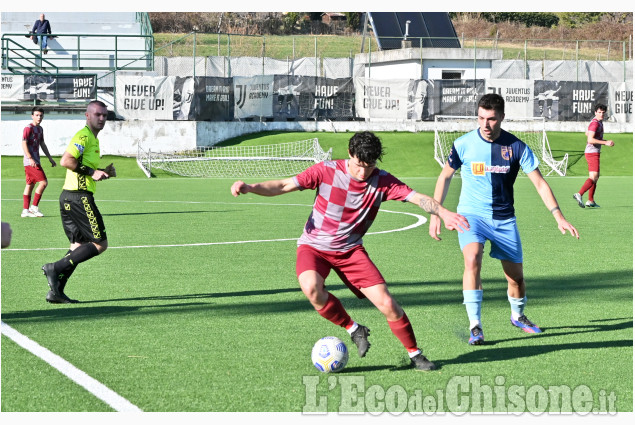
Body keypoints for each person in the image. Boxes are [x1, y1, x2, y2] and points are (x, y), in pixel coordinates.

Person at [231, 131, 470, 371]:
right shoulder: (324, 171)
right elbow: (283, 185)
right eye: (358, 165)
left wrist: (443, 212)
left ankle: (415, 355)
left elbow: (418, 198)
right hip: (314, 246)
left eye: (370, 166)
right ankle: (354, 329)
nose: (363, 172)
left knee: (388, 304)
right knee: (312, 289)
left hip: (350, 251)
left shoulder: (383, 181)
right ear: (349, 154)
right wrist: (250, 187)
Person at [428, 93, 579, 346]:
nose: (485, 125)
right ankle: (475, 325)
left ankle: (518, 316)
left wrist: (558, 216)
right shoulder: (463, 144)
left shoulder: (517, 147)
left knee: (516, 279)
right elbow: (444, 177)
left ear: (502, 118)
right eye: (481, 118)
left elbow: (540, 184)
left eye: (491, 119)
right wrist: (436, 213)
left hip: (504, 220)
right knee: (472, 259)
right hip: (471, 215)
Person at [41, 100, 115, 304]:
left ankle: (56, 292)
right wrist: (92, 171)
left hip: (69, 196)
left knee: (77, 245)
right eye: (97, 114)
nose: (101, 118)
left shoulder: (92, 138)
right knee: (100, 244)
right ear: (87, 115)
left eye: (104, 115)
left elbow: (80, 166)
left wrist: (102, 172)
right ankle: (54, 268)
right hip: (79, 197)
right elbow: (67, 161)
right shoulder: (83, 136)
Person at [573, 103, 614, 209]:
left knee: (596, 177)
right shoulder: (595, 123)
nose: (601, 114)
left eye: (603, 113)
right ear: (595, 112)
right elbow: (590, 139)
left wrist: (605, 141)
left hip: (594, 152)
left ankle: (590, 200)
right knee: (593, 177)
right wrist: (605, 143)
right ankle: (579, 194)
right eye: (599, 112)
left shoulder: (598, 122)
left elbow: (588, 133)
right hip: (592, 153)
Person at [21, 106, 56, 218]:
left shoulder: (40, 129)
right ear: (32, 116)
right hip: (30, 161)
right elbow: (23, 143)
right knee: (43, 182)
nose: (39, 117)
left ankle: (25, 210)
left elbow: (42, 144)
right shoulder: (28, 128)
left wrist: (50, 158)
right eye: (36, 115)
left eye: (41, 115)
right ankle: (34, 207)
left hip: (36, 160)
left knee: (30, 184)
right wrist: (30, 158)